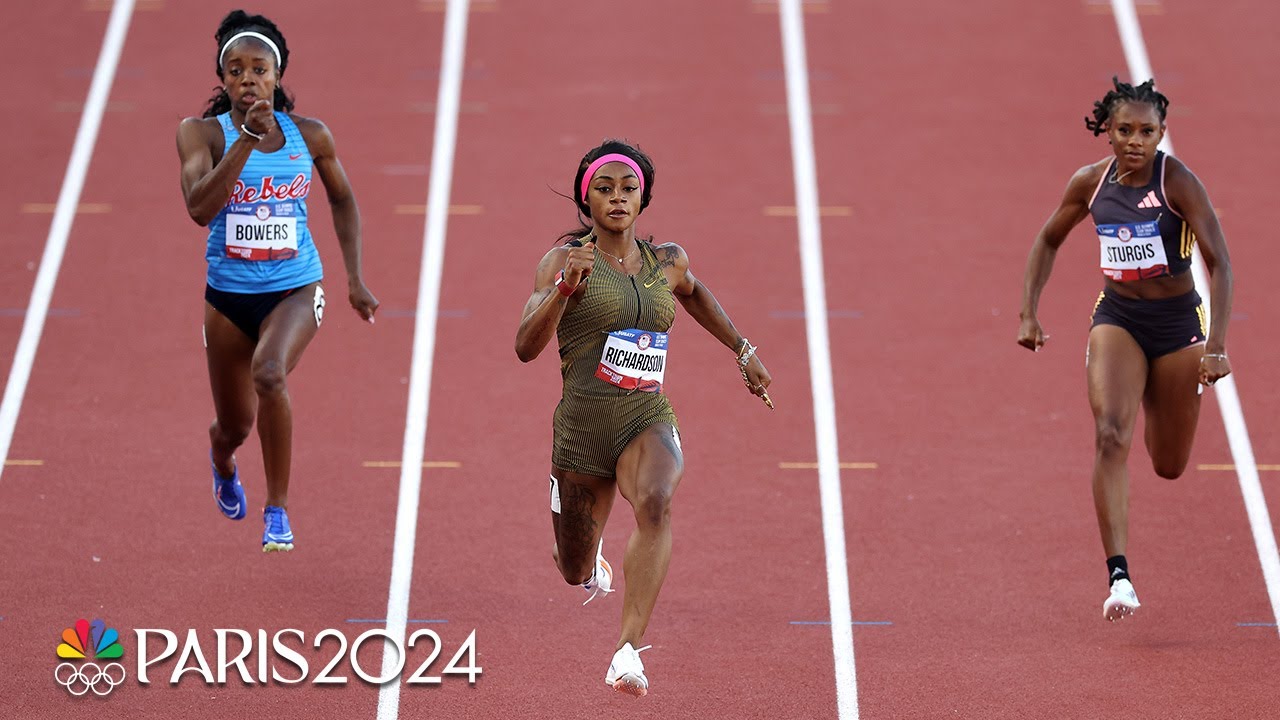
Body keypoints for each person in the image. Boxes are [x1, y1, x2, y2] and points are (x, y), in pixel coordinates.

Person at [515, 140, 773, 695]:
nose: (616, 199)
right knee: (573, 568)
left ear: (643, 198)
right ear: (587, 201)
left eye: (627, 189)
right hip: (582, 431)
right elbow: (524, 347)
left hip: (645, 416)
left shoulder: (667, 262)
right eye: (603, 190)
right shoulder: (562, 262)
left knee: (656, 501)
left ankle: (626, 649)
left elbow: (696, 293)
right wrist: (564, 290)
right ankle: (586, 559)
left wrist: (743, 351)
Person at [1018, 77, 1233, 621]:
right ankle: (1119, 576)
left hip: (1179, 326)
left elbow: (1221, 264)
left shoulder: (1178, 182)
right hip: (1118, 316)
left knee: (1168, 464)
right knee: (1111, 432)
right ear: (1106, 132)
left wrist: (1216, 347)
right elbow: (1048, 238)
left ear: (1162, 133)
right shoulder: (1090, 184)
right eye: (1125, 130)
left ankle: (1175, 397)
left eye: (1148, 131)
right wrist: (1029, 311)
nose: (1136, 140)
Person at [176, 10, 378, 552]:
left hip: (296, 287)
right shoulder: (200, 135)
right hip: (227, 299)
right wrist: (243, 141)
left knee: (270, 373)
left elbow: (342, 198)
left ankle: (277, 511)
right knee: (234, 427)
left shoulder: (309, 136)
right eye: (235, 70)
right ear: (222, 80)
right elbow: (199, 208)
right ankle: (221, 460)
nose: (248, 79)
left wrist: (355, 278)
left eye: (258, 69)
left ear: (277, 76)